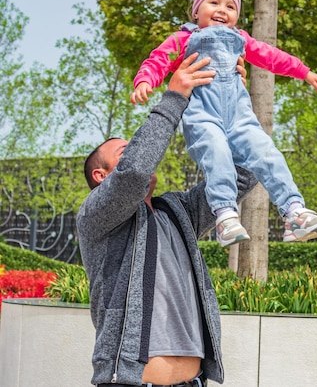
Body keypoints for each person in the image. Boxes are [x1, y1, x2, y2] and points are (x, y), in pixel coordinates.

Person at [77, 52, 257, 387]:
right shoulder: (96, 214)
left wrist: (234, 103)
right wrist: (175, 97)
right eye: (124, 151)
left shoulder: (178, 211)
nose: (135, 153)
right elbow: (135, 171)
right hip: (131, 382)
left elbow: (242, 175)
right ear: (101, 176)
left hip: (193, 382)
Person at [130, 0, 317, 247]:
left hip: (240, 118)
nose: (222, 11)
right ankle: (225, 215)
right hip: (204, 117)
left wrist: (303, 71)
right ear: (196, 10)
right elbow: (158, 60)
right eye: (214, 3)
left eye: (230, 6)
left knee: (268, 153)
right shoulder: (184, 39)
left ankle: (294, 213)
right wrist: (144, 81)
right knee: (218, 154)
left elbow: (270, 56)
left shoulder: (241, 39)